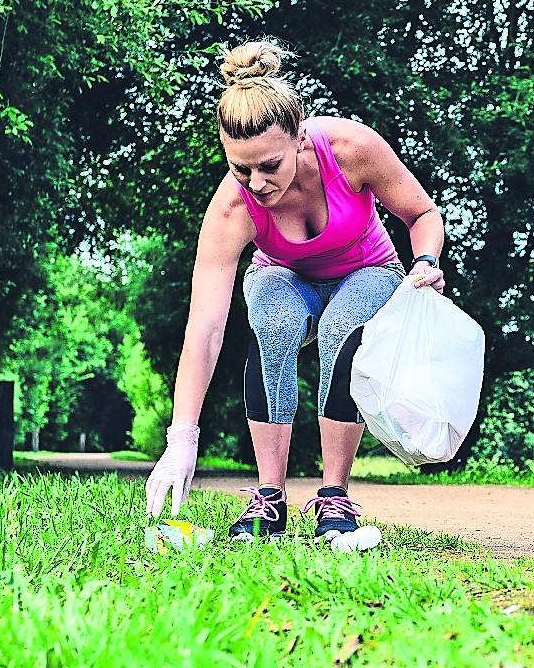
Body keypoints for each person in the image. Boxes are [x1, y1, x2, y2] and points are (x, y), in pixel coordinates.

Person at [145, 39, 445, 541]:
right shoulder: (231, 209)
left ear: (299, 136)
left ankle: (334, 496)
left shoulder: (351, 149)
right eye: (241, 168)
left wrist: (426, 263)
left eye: (269, 166)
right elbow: (205, 330)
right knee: (273, 321)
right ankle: (269, 499)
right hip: (283, 276)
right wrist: (182, 437)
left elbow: (422, 214)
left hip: (368, 269)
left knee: (342, 327)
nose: (256, 183)